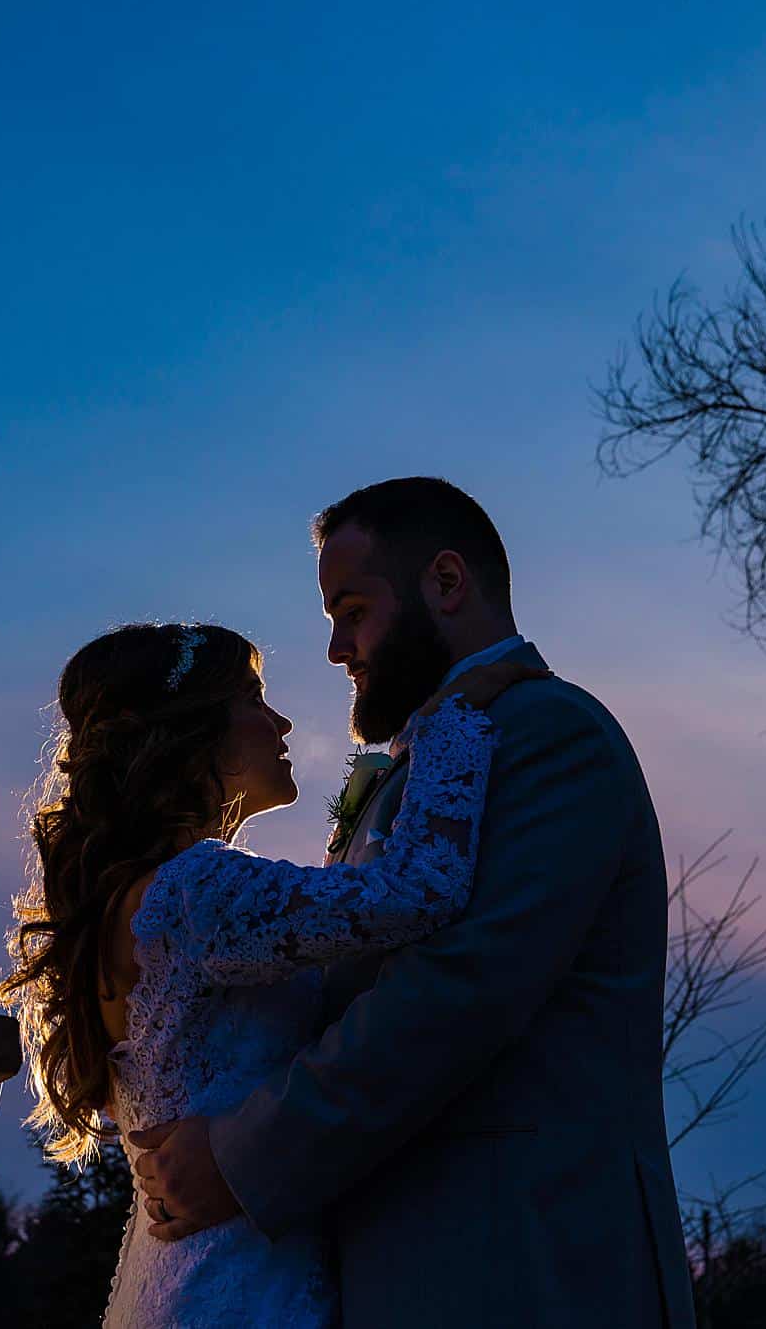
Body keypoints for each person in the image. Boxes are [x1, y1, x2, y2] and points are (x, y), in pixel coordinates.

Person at [129, 477, 697, 1327]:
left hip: (521, 1270)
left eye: (352, 609)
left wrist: (238, 1157)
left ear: (445, 582)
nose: (335, 648)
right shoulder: (434, 759)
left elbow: (455, 995)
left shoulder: (549, 734)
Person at [0, 617, 543, 1326]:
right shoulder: (197, 892)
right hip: (242, 1290)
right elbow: (420, 890)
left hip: (179, 1280)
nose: (281, 721)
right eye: (255, 698)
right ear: (194, 730)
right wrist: (447, 721)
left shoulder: (136, 901)